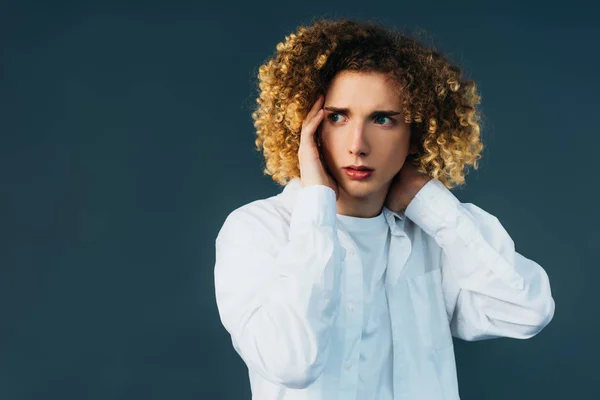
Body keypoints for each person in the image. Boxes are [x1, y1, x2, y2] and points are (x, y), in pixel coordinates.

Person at [213, 17, 555, 400]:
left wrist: (428, 200)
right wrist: (316, 206)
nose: (358, 144)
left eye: (382, 119)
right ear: (307, 128)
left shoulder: (433, 235)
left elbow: (527, 310)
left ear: (416, 135)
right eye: (337, 117)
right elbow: (292, 362)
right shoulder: (256, 230)